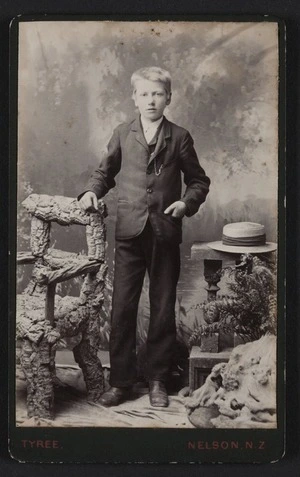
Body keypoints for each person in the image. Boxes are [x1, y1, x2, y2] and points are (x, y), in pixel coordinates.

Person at [78, 66, 210, 407]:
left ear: (168, 98)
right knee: (122, 307)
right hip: (129, 233)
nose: (151, 100)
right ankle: (120, 382)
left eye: (158, 94)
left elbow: (199, 181)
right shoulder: (123, 132)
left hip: (165, 233)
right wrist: (92, 191)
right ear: (134, 98)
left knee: (163, 308)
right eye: (145, 93)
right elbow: (104, 172)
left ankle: (157, 381)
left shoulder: (179, 137)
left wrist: (185, 202)